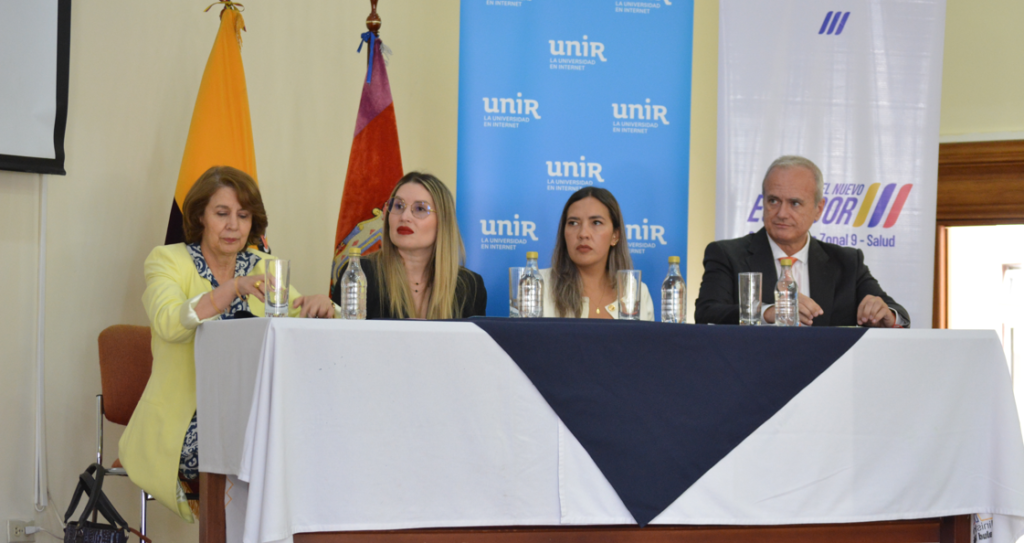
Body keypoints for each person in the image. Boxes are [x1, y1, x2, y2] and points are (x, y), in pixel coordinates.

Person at [119, 166, 336, 522]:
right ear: (200, 216)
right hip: (185, 423)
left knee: (305, 440)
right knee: (267, 451)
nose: (234, 225)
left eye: (244, 215)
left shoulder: (263, 266)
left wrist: (325, 309)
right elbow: (169, 322)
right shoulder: (168, 260)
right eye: (222, 214)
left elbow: (297, 324)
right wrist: (231, 289)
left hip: (254, 416)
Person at [694, 155, 910, 327]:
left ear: (819, 209)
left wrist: (887, 315)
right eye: (773, 201)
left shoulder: (847, 262)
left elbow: (897, 312)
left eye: (795, 203)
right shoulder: (727, 255)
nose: (782, 213)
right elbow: (706, 313)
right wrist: (768, 312)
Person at [331, 172, 487, 319]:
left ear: (443, 222)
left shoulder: (470, 286)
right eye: (398, 206)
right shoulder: (360, 273)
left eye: (420, 209)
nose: (404, 217)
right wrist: (325, 313)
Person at [541, 187, 655, 320]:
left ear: (615, 235)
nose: (583, 234)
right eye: (573, 223)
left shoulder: (637, 291)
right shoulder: (537, 284)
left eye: (596, 222)